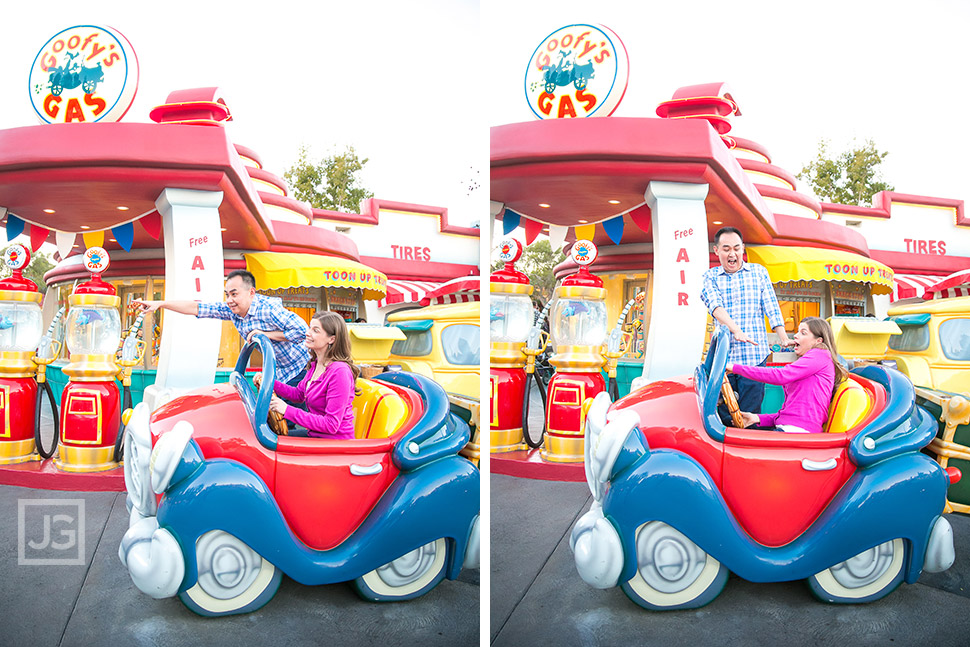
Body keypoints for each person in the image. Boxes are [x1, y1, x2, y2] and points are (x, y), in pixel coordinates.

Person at [133, 270, 311, 392]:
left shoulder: (268, 309)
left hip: (300, 368)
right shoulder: (232, 310)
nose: (229, 300)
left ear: (251, 292)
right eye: (227, 294)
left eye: (234, 294)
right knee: (270, 416)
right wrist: (161, 304)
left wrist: (266, 335)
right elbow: (197, 308)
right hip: (279, 371)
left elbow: (304, 331)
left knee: (287, 417)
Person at [700, 227, 792, 424]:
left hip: (754, 359)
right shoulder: (710, 277)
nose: (732, 254)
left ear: (743, 249)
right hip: (724, 362)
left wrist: (783, 337)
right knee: (724, 416)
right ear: (716, 251)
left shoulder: (758, 272)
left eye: (736, 248)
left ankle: (748, 452)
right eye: (726, 249)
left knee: (750, 414)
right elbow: (715, 306)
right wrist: (736, 330)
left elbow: (771, 306)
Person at [727, 317, 848, 433]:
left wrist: (735, 368)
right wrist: (757, 418)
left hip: (798, 431)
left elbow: (780, 375)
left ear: (818, 341)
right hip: (789, 428)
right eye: (797, 332)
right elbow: (789, 414)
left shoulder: (820, 355)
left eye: (803, 333)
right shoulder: (812, 360)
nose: (795, 336)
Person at [264, 311, 358, 439]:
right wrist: (268, 382)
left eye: (315, 330)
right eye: (309, 328)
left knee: (272, 442)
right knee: (270, 438)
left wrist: (286, 410)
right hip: (315, 435)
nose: (307, 333)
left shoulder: (339, 372)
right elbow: (297, 394)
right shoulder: (316, 365)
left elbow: (331, 425)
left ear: (332, 339)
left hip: (334, 443)